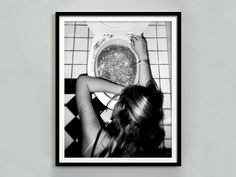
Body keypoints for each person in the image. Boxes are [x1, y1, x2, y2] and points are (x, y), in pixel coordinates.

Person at [76, 35, 165, 157]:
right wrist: (143, 56)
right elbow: (146, 102)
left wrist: (126, 91)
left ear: (118, 110)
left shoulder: (97, 143)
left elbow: (82, 82)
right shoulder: (145, 141)